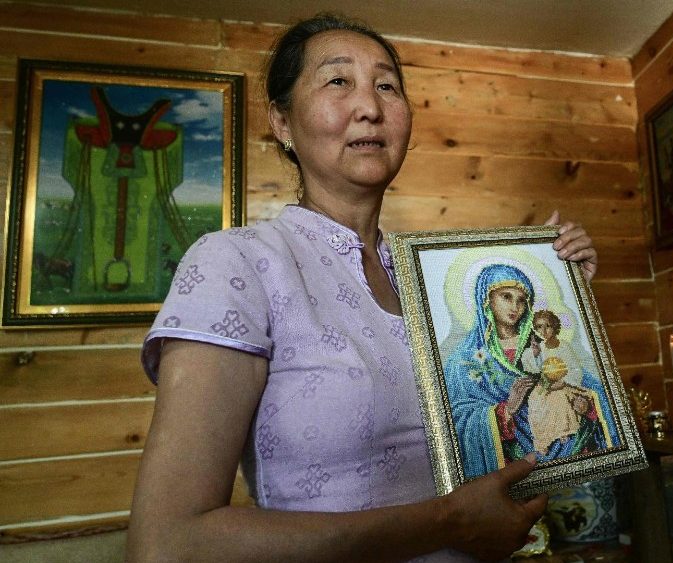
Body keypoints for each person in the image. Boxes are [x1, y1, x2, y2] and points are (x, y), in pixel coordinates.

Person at [126, 13, 599, 562]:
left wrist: (564, 297)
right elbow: (166, 546)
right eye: (337, 81)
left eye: (387, 86)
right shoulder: (238, 263)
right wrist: (450, 522)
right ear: (282, 122)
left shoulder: (436, 277)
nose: (369, 106)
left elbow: (500, 431)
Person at [444, 266, 612, 478]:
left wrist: (585, 403)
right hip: (511, 472)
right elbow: (458, 419)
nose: (515, 306)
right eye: (506, 296)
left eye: (522, 300)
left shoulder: (542, 345)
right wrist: (506, 410)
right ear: (487, 300)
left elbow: (586, 383)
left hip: (567, 448)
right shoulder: (465, 358)